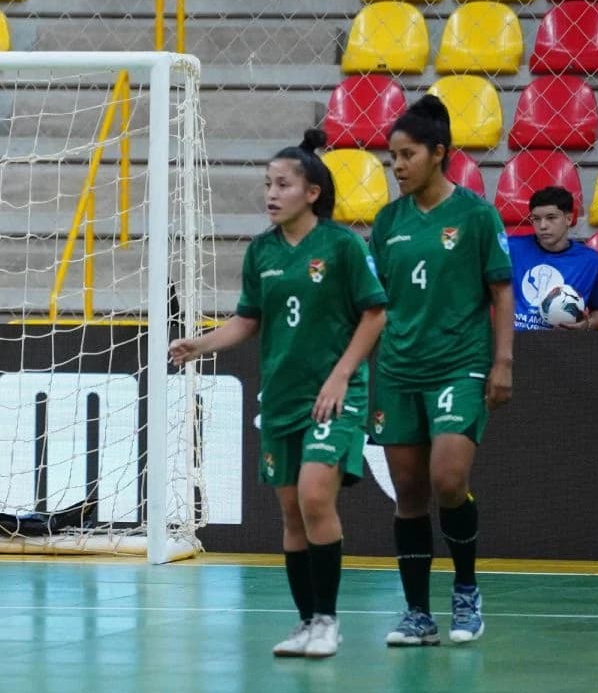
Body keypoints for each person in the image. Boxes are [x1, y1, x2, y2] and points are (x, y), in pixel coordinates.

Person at [168, 132, 387, 659]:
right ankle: (306, 621)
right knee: (292, 515)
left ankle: (329, 621)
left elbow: (375, 313)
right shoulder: (261, 252)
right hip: (283, 397)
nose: (271, 193)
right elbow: (248, 320)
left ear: (312, 192)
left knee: (316, 495)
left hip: (334, 396)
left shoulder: (342, 247)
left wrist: (341, 376)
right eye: (267, 184)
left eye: (282, 184)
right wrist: (200, 343)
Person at [368, 95, 514, 648]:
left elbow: (500, 290)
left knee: (448, 480)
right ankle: (415, 613)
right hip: (400, 368)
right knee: (409, 492)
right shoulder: (387, 223)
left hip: (461, 365)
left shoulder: (477, 215)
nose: (397, 166)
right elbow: (374, 305)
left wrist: (503, 361)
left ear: (439, 154)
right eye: (392, 157)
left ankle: (467, 590)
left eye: (407, 155)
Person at [509, 186, 598, 332]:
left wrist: (587, 325)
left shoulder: (589, 261)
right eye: (536, 219)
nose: (542, 226)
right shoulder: (511, 249)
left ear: (568, 219)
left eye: (551, 218)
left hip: (562, 345)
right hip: (516, 343)